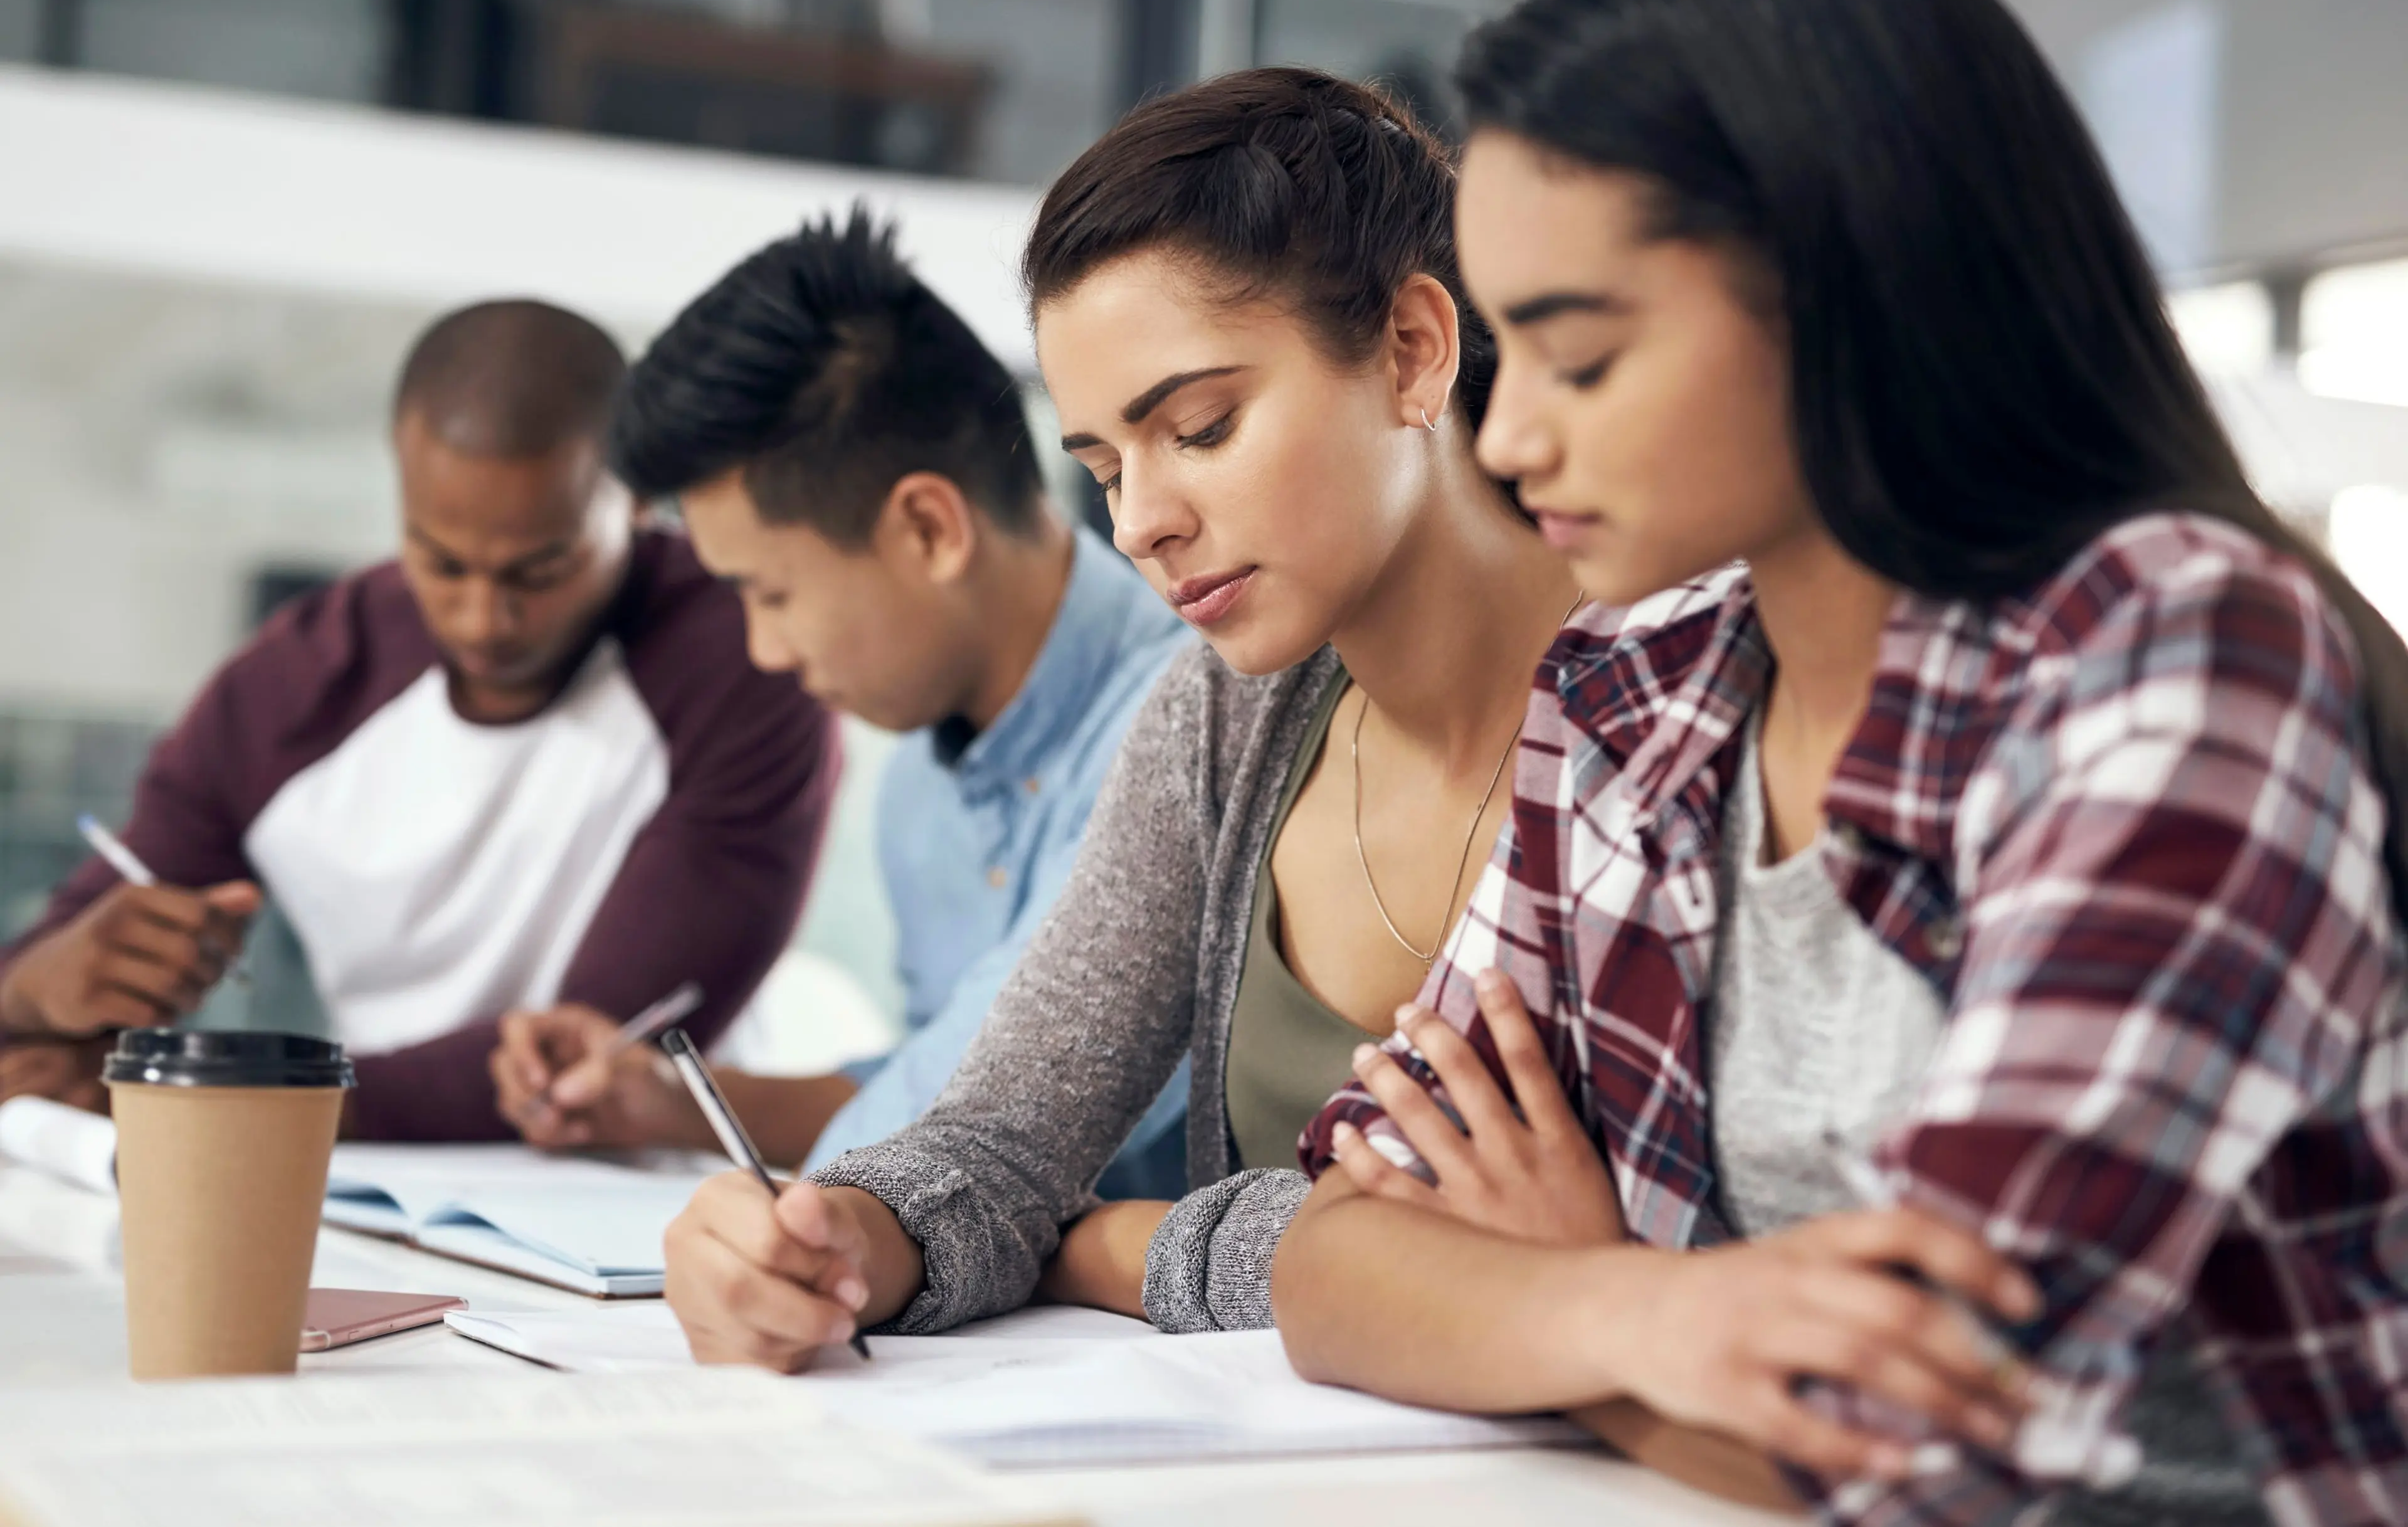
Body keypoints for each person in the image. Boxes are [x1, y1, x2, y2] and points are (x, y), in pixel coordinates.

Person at [1273, 0, 2408, 1527]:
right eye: (1510, 356)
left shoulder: (2174, 654)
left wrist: (1559, 1305)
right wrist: (1637, 1313)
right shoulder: (1628, 691)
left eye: (1583, 359)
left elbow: (1933, 1447)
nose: (1509, 440)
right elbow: (1332, 1258)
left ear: (1854, 289)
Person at [653, 68, 1583, 1362]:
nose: (1140, 522)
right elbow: (997, 1145)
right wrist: (830, 1240)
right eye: (1102, 466)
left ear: (1413, 350)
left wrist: (1111, 1243)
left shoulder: (1660, 705)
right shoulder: (1222, 717)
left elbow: (1588, 1244)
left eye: (1199, 427)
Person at [0, 300, 840, 1141]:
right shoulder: (284, 692)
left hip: (661, 1184)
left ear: (637, 498)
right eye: (441, 563)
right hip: (360, 1175)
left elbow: (595, 1054)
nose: (485, 619)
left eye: (541, 570)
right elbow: (74, 957)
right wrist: (33, 996)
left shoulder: (749, 657)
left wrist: (221, 1099)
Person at [486, 210, 1191, 1198]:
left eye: (770, 593)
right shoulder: (918, 792)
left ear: (928, 528)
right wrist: (666, 1102)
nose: (764, 650)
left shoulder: (1189, 731)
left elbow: (1003, 1122)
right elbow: (935, 1077)